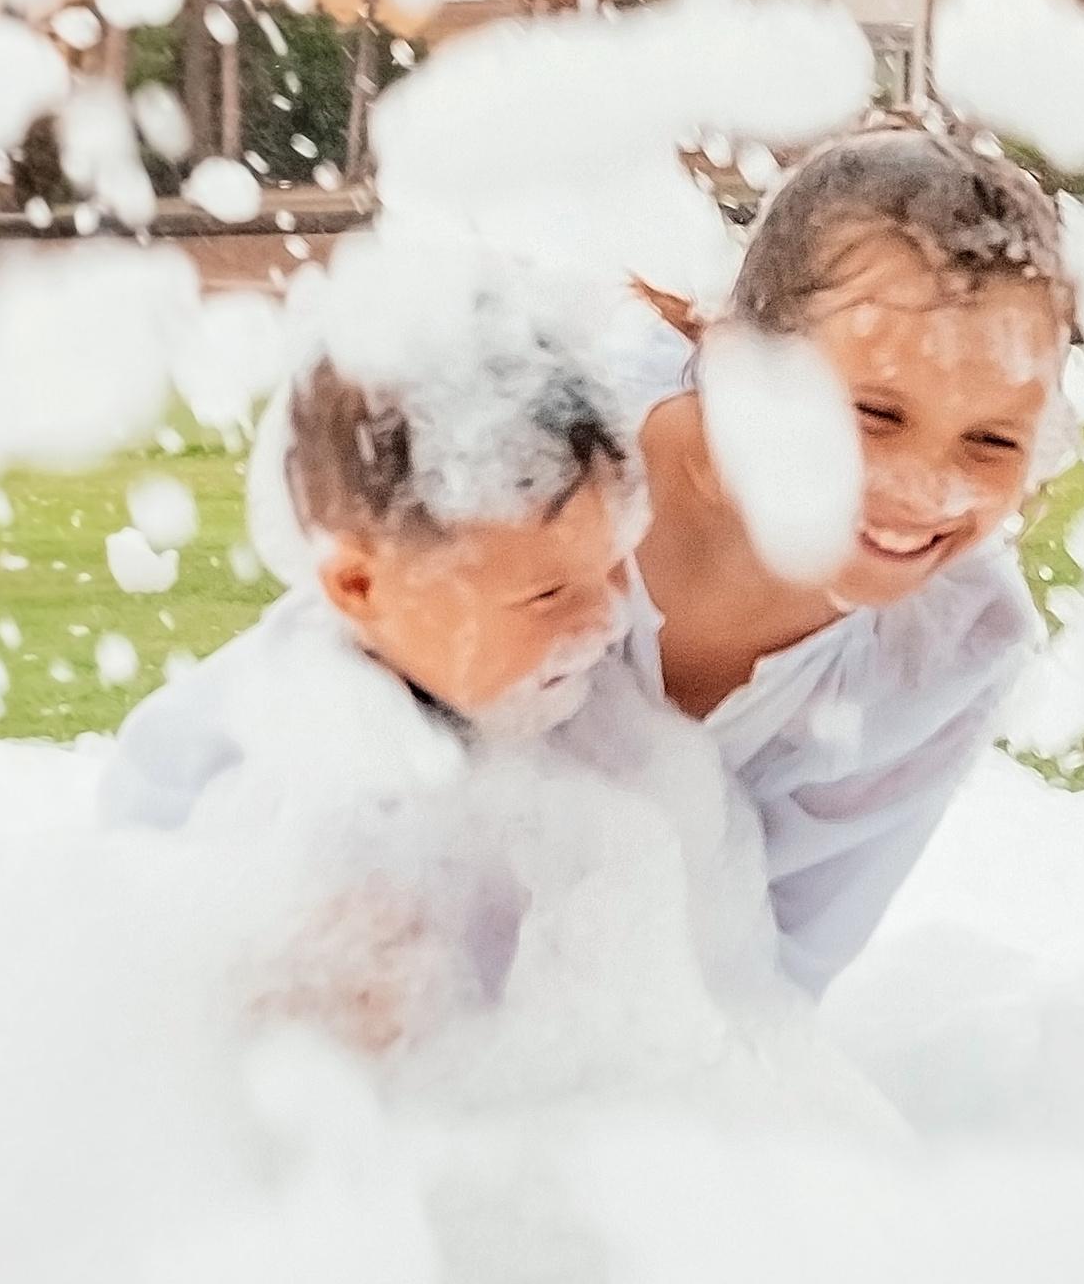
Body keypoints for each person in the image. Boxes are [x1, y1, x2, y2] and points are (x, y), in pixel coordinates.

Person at [99, 234, 785, 1066]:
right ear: (359, 585)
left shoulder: (611, 738)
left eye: (614, 566)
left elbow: (721, 996)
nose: (606, 619)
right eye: (546, 595)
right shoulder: (229, 752)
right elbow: (134, 983)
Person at [618, 127, 1074, 995]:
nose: (926, 489)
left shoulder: (960, 645)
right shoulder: (542, 471)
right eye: (875, 415)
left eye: (991, 440)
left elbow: (778, 972)